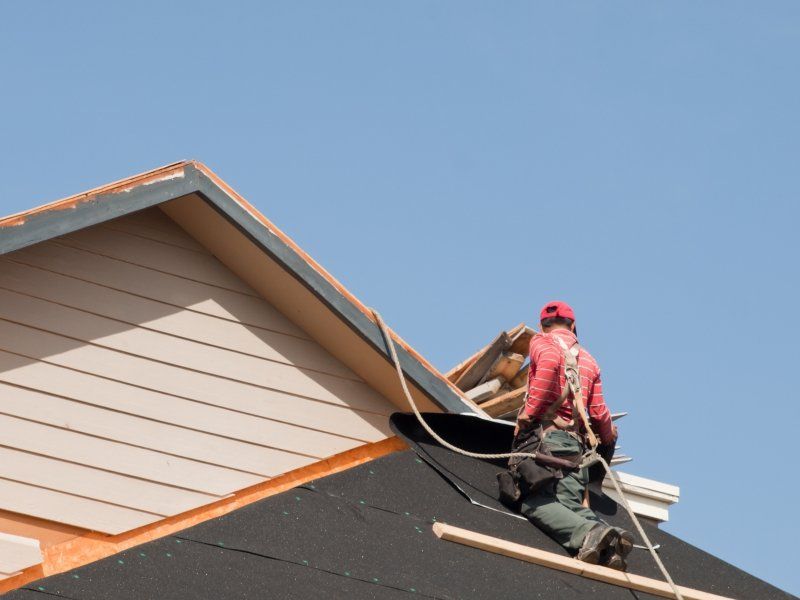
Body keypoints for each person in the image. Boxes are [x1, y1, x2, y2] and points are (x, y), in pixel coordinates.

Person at [515, 301, 633, 570]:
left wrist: (528, 415)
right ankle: (606, 542)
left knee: (535, 503)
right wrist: (606, 437)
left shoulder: (541, 342)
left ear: (541, 325)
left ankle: (588, 535)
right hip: (575, 447)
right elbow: (600, 413)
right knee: (566, 503)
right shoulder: (590, 360)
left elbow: (547, 367)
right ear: (574, 326)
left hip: (548, 441)